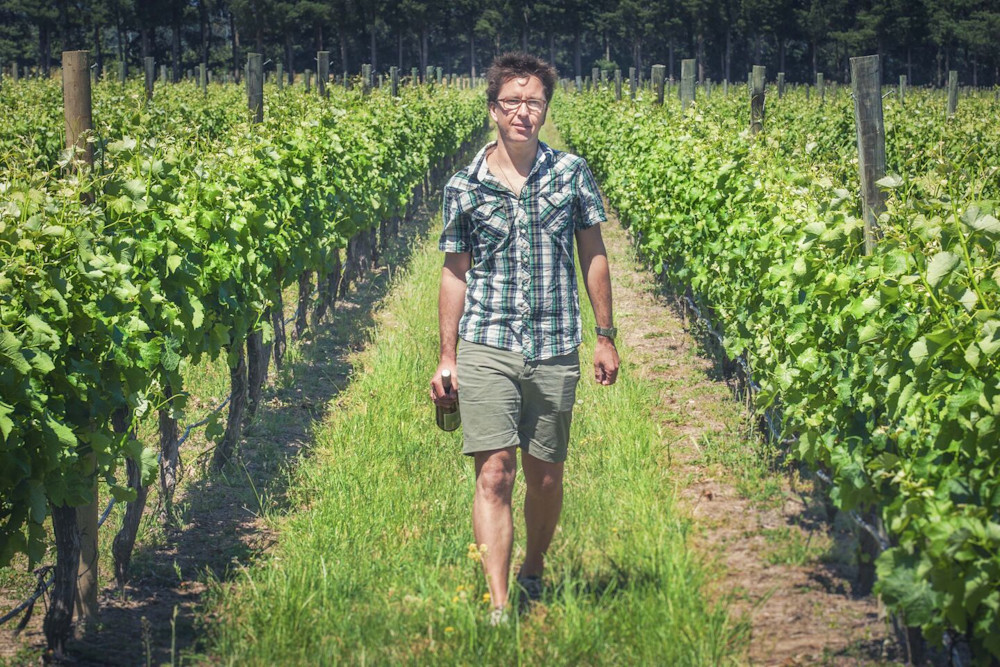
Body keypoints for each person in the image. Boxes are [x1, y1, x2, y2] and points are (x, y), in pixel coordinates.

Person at [430, 52, 619, 624]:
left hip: (556, 341)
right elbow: (454, 271)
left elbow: (594, 254)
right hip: (487, 343)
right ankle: (499, 603)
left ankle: (533, 569)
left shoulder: (571, 174)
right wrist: (447, 357)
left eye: (533, 101)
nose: (522, 111)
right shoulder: (464, 186)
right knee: (495, 473)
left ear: (544, 111)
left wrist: (605, 336)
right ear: (493, 110)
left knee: (545, 475)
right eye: (511, 101)